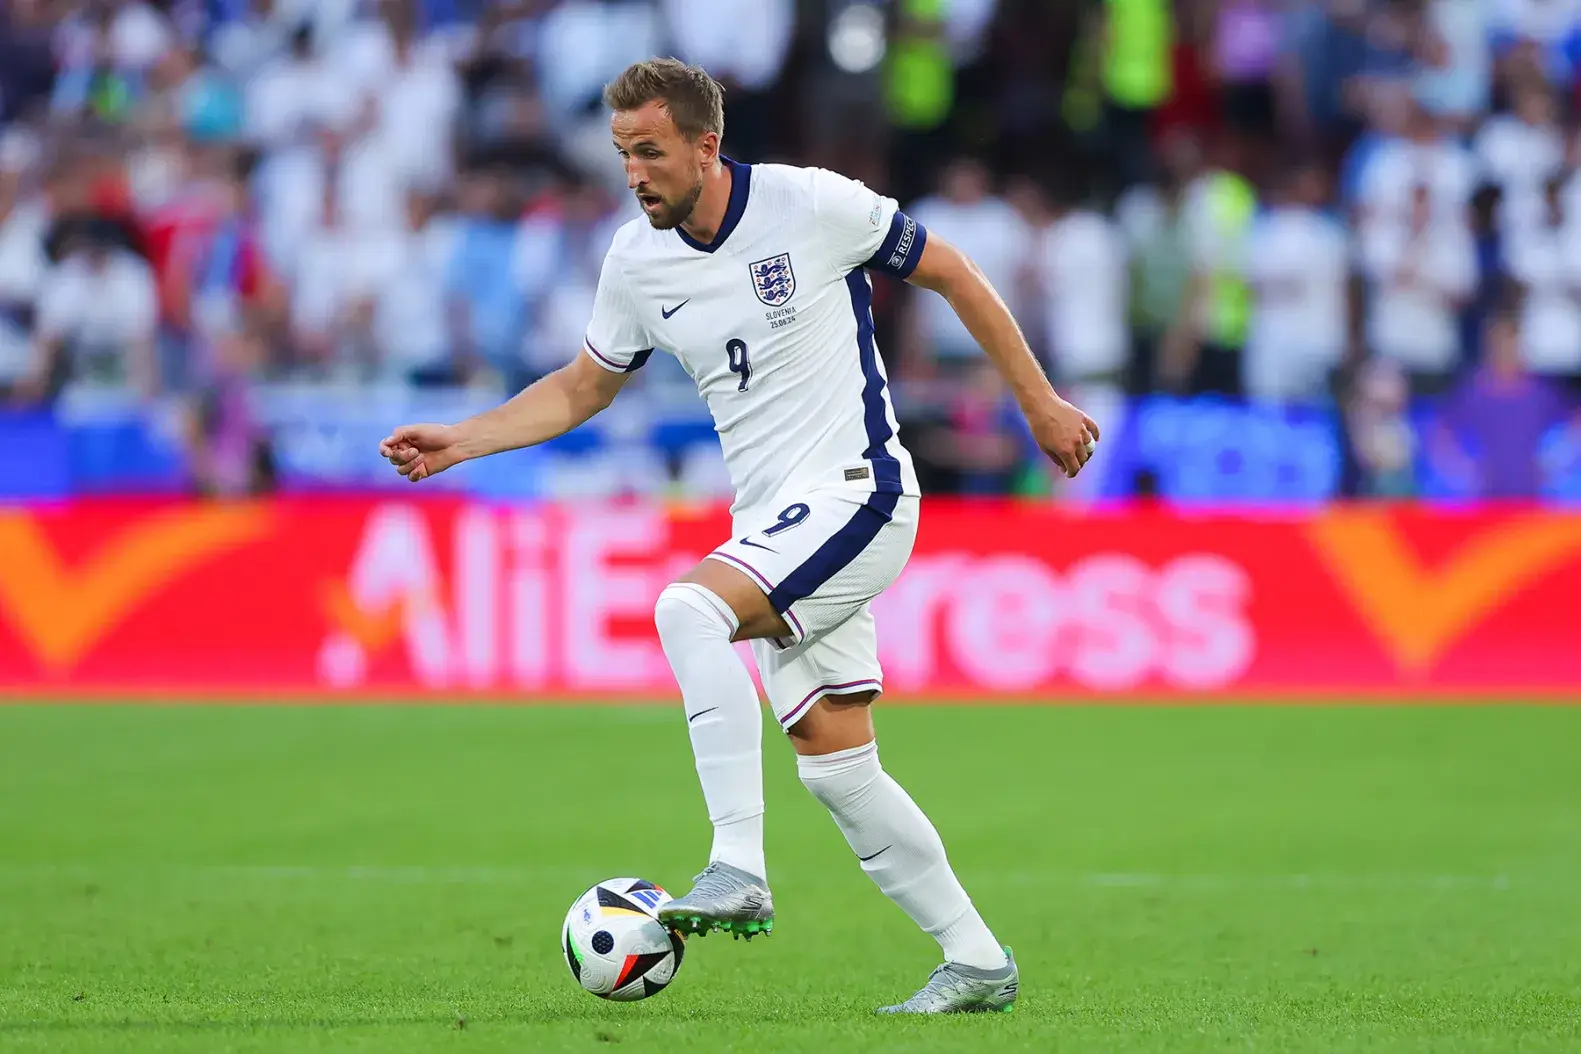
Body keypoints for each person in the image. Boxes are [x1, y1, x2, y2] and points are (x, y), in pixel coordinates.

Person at [378, 58, 1098, 1015]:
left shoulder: (809, 206)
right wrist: (462, 438)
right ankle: (975, 961)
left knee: (687, 609)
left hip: (860, 492)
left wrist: (1039, 404)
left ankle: (736, 863)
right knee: (840, 767)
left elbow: (953, 273)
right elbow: (584, 386)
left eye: (649, 153)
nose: (633, 175)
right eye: (621, 155)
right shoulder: (636, 262)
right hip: (775, 522)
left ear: (704, 146)